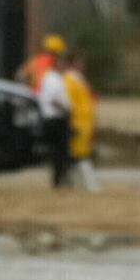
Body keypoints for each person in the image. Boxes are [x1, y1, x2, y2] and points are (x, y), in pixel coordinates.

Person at [63, 54, 102, 192]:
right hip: (77, 122)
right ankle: (89, 185)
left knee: (77, 155)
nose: (83, 65)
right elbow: (68, 103)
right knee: (79, 155)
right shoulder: (69, 81)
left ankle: (74, 183)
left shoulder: (79, 80)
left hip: (84, 122)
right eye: (80, 62)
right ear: (72, 63)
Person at [35, 57, 75, 188]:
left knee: (58, 151)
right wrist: (66, 109)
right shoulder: (53, 80)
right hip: (56, 118)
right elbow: (54, 99)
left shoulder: (50, 78)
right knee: (60, 150)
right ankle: (58, 179)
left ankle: (59, 177)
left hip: (53, 117)